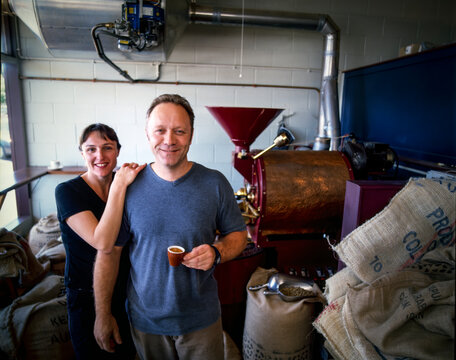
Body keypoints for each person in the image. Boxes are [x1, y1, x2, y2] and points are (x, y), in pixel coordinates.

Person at [93, 94, 248, 360]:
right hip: (146, 324)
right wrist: (103, 314)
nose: (169, 140)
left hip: (202, 321)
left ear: (191, 134)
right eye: (160, 131)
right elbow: (110, 253)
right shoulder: (129, 187)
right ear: (147, 133)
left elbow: (238, 235)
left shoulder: (214, 183)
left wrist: (217, 252)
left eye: (179, 131)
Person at [55, 123, 145, 359]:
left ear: (117, 151)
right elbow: (102, 242)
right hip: (87, 297)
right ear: (82, 153)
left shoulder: (128, 184)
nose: (100, 156)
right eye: (91, 149)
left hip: (126, 291)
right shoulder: (67, 192)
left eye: (107, 148)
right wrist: (119, 186)